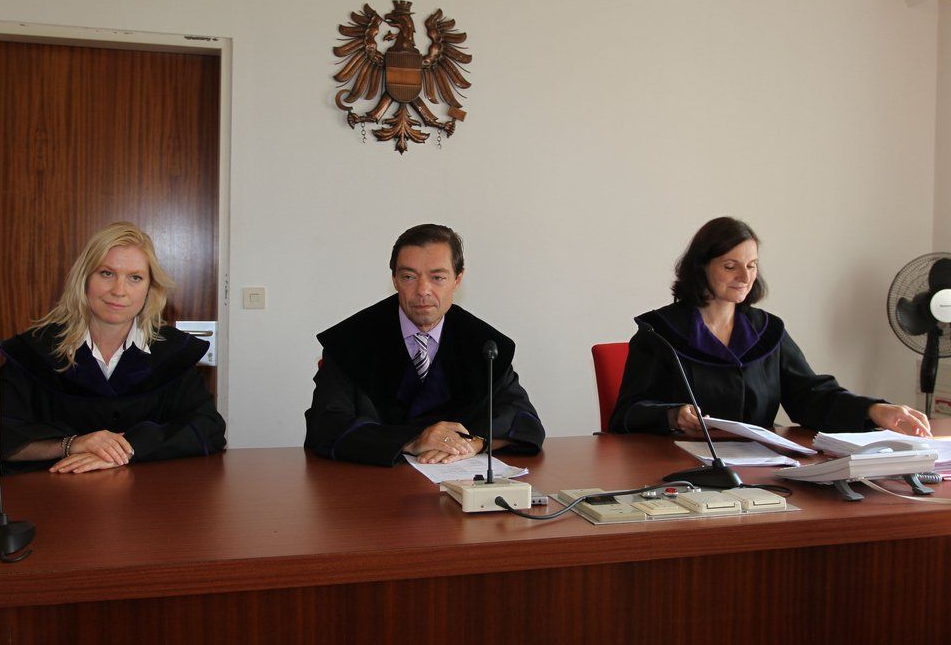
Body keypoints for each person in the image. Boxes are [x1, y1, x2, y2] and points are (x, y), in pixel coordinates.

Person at [609, 216, 931, 437]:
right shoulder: (658, 332)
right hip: (676, 468)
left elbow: (810, 396)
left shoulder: (767, 332)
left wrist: (873, 410)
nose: (745, 277)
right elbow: (627, 413)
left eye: (752, 266)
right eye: (730, 266)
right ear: (701, 267)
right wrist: (672, 415)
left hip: (759, 469)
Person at [0, 222, 226, 474]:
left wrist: (126, 449)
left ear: (149, 289)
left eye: (135, 278)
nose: (119, 290)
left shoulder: (173, 353)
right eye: (106, 273)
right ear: (84, 279)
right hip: (54, 496)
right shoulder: (35, 352)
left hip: (148, 499)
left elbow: (208, 429)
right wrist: (70, 445)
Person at [305, 224, 544, 466]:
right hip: (370, 482)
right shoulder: (351, 340)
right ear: (394, 279)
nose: (423, 290)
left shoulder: (484, 344)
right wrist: (412, 441)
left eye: (437, 277)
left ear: (457, 279)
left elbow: (523, 420)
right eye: (409, 277)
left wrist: (475, 443)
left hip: (457, 480)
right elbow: (325, 425)